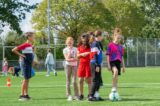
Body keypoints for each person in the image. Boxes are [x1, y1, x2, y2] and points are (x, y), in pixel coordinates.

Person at [12, 32, 35, 101]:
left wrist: (33, 49)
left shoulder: (30, 45)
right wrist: (21, 55)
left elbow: (30, 55)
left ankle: (26, 95)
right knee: (25, 79)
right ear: (29, 37)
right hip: (25, 64)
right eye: (33, 37)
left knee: (27, 80)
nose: (34, 38)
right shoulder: (25, 44)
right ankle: (21, 95)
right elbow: (13, 50)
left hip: (28, 64)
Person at [106, 34, 125, 99]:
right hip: (112, 61)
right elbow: (108, 55)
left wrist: (123, 66)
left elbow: (122, 57)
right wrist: (108, 64)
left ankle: (115, 91)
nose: (118, 39)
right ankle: (113, 87)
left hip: (118, 62)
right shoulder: (110, 45)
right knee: (115, 71)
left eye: (120, 38)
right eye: (117, 38)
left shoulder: (121, 47)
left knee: (116, 77)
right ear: (114, 37)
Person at [88, 31, 104, 101]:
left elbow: (99, 54)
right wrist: (97, 65)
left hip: (98, 64)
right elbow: (94, 55)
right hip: (94, 64)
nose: (102, 37)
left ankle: (96, 95)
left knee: (99, 81)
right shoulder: (95, 44)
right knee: (95, 80)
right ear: (98, 36)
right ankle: (91, 96)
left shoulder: (99, 43)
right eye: (101, 36)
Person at [63, 37, 79, 101]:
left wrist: (71, 59)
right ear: (66, 43)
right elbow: (67, 59)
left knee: (74, 81)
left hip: (74, 66)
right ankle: (69, 95)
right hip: (67, 66)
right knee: (68, 81)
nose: (70, 43)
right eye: (68, 42)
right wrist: (69, 51)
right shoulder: (65, 50)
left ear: (73, 42)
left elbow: (77, 58)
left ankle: (76, 95)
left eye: (71, 41)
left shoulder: (76, 49)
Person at [77, 33, 92, 100]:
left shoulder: (90, 47)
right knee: (80, 80)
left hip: (88, 64)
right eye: (82, 40)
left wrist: (88, 53)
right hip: (81, 65)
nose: (84, 41)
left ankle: (89, 94)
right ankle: (81, 94)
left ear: (87, 40)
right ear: (81, 40)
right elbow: (77, 56)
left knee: (88, 80)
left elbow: (93, 54)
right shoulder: (79, 47)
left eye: (85, 40)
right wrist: (82, 54)